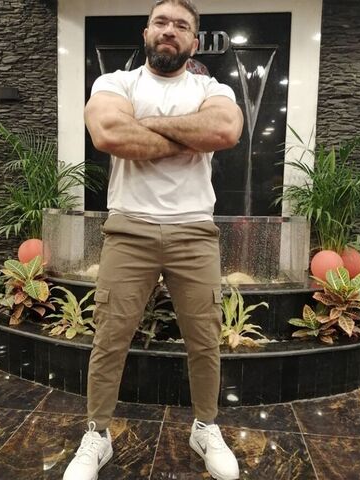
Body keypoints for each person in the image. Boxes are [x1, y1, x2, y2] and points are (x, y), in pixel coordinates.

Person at [63, 1, 244, 479]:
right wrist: (190, 135)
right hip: (129, 229)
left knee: (204, 341)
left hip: (194, 231)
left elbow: (225, 129)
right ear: (146, 32)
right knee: (109, 338)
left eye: (181, 25)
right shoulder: (116, 83)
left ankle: (205, 427)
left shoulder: (212, 89)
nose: (170, 30)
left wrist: (140, 127)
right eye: (161, 22)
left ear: (195, 42)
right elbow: (108, 133)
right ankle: (97, 434)